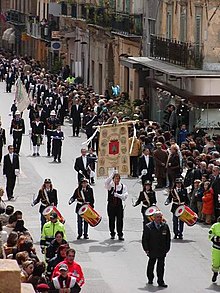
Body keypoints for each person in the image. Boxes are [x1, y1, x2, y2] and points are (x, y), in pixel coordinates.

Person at [142, 211, 171, 288]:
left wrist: (167, 248)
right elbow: (145, 239)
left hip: (161, 250)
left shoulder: (165, 226)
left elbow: (168, 239)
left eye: (160, 217)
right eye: (157, 217)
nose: (159, 219)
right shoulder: (148, 227)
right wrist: (146, 249)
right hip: (152, 249)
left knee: (161, 267)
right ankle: (150, 278)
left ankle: (161, 281)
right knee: (151, 265)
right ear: (154, 218)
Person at [104, 170, 128, 240]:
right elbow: (106, 182)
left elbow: (125, 196)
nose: (117, 180)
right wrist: (112, 174)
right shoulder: (110, 186)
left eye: (118, 179)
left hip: (119, 206)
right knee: (111, 220)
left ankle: (120, 234)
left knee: (120, 220)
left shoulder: (123, 186)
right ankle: (112, 233)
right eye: (115, 178)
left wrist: (118, 195)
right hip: (111, 206)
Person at [209, 216, 220, 282]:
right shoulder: (215, 226)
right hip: (217, 248)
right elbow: (210, 234)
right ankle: (215, 273)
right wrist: (217, 239)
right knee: (216, 262)